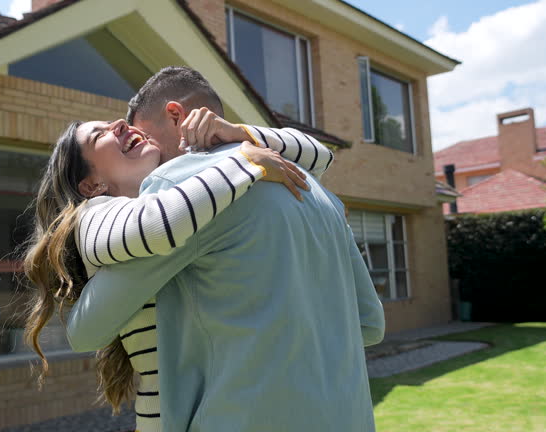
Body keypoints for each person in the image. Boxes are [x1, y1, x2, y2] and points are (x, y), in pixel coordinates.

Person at [66, 66, 386, 432]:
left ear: (175, 115)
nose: (135, 137)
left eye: (142, 131)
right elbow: (370, 324)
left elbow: (86, 330)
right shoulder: (317, 191)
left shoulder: (179, 188)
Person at [23, 104, 331, 431]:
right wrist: (247, 161)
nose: (119, 124)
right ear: (91, 185)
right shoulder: (93, 216)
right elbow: (156, 225)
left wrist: (238, 133)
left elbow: (320, 156)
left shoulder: (194, 195)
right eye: (100, 134)